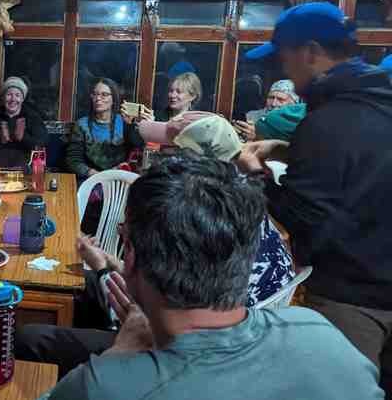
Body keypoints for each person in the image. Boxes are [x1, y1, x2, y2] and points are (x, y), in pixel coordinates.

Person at [46, 152, 384, 400]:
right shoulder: (322, 337)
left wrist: (120, 354)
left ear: (130, 256)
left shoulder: (104, 386)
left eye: (124, 235)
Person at [17, 113, 295, 377]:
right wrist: (111, 264)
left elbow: (149, 316)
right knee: (81, 285)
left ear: (192, 163)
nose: (159, 158)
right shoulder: (241, 203)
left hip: (188, 354)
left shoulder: (192, 221)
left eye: (169, 152)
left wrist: (105, 269)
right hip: (227, 333)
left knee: (30, 338)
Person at [239, 1, 392, 396]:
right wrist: (287, 148)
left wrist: (255, 173)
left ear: (308, 51)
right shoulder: (378, 96)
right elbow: (364, 163)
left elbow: (300, 214)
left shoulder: (327, 119)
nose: (281, 70)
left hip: (352, 296)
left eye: (283, 59)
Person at [65, 78, 146, 179]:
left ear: (113, 99)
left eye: (104, 94)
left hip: (120, 178)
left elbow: (138, 149)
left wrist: (130, 126)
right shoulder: (82, 125)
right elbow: (73, 160)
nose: (98, 98)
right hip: (91, 179)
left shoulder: (124, 122)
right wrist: (95, 174)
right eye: (95, 94)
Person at [0, 76, 48, 167]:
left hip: (25, 171)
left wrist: (23, 138)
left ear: (22, 99)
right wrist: (0, 141)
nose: (13, 99)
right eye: (9, 94)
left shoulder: (32, 117)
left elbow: (42, 143)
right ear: (3, 97)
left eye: (17, 95)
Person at [233, 79, 300, 141]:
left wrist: (257, 136)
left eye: (280, 99)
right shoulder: (252, 116)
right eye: (271, 98)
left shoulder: (298, 123)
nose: (273, 104)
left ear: (293, 103)